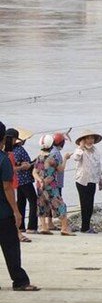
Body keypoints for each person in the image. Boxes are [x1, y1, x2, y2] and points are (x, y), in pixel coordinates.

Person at [0, 121, 39, 292]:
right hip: (3, 213)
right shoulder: (3, 160)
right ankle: (20, 281)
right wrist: (16, 211)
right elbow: (8, 187)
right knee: (11, 247)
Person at [32, 135, 73, 236]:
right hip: (51, 185)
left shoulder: (39, 157)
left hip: (40, 186)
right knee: (60, 205)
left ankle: (44, 226)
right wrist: (66, 158)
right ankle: (64, 228)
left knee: (42, 205)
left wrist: (39, 180)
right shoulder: (52, 158)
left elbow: (34, 172)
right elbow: (60, 169)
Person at [66, 130, 102, 234]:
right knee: (84, 203)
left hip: (93, 180)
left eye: (92, 138)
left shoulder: (95, 150)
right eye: (88, 138)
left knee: (90, 204)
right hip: (82, 180)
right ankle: (85, 227)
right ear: (84, 140)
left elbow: (98, 166)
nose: (90, 140)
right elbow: (76, 158)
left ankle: (87, 225)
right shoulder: (79, 150)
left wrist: (100, 180)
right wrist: (81, 147)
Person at [7, 128, 37, 234]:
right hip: (25, 179)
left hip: (17, 181)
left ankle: (21, 226)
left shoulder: (10, 151)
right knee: (34, 201)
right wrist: (33, 163)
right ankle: (32, 226)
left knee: (21, 203)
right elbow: (27, 164)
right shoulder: (20, 150)